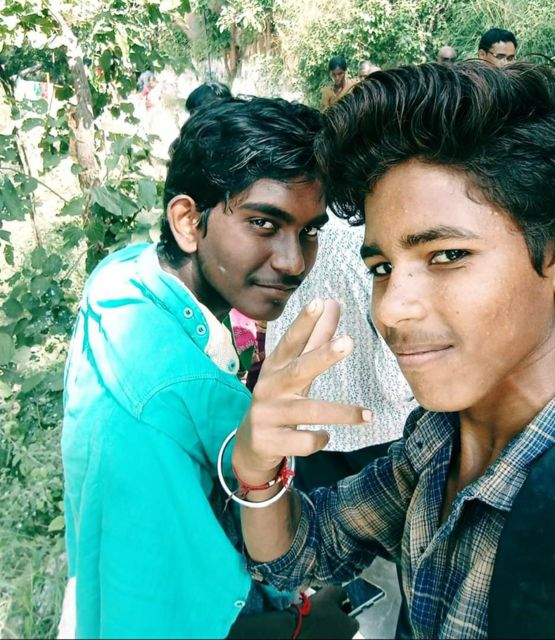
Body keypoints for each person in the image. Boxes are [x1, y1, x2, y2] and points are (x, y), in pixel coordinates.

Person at [230, 62, 555, 638]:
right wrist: (257, 465)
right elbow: (302, 555)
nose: (391, 309)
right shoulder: (436, 447)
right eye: (381, 267)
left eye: (447, 255)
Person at [59, 95, 358, 638]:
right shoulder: (196, 395)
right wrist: (306, 624)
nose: (294, 262)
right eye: (263, 223)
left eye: (309, 231)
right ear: (187, 221)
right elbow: (265, 559)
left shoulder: (119, 279)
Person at [266, 217, 416, 490]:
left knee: (309, 511)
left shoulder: (293, 239)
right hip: (376, 426)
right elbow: (395, 370)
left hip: (303, 422)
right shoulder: (366, 240)